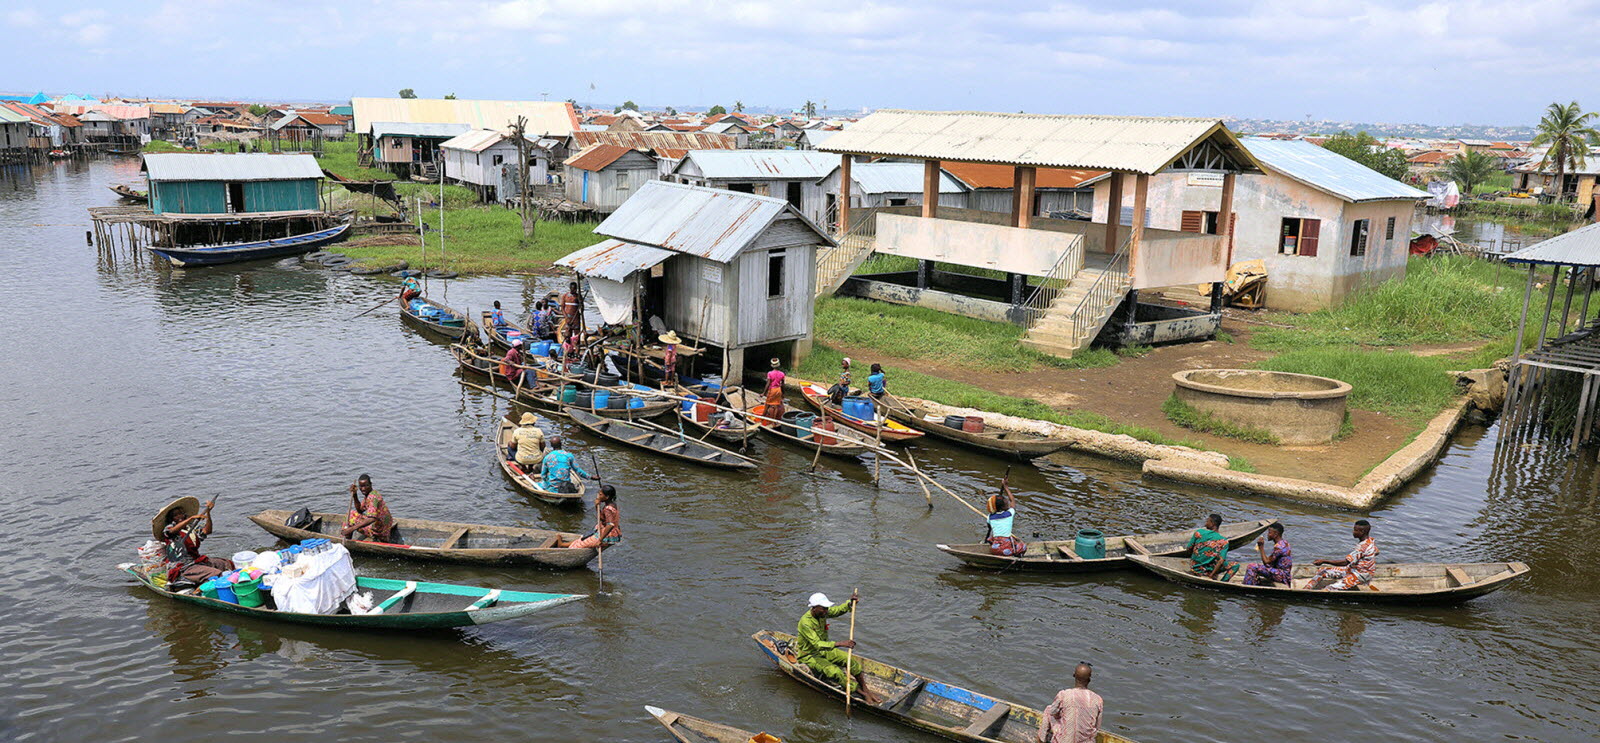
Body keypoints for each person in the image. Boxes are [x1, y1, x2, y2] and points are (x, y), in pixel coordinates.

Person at [796, 590, 884, 704]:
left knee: (851, 662)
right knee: (836, 672)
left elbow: (837, 610)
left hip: (825, 650)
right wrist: (840, 644)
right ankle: (862, 693)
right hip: (809, 655)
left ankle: (865, 689)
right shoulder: (805, 622)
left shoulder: (822, 613)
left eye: (826, 608)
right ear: (814, 608)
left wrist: (849, 604)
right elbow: (817, 644)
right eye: (824, 608)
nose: (826, 611)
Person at [156, 497, 233, 584]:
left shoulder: (191, 528)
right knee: (215, 573)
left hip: (196, 561)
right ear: (171, 519)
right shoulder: (169, 530)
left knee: (224, 563)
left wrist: (208, 512)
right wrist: (191, 518)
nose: (179, 516)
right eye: (175, 515)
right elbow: (172, 531)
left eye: (180, 514)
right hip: (183, 567)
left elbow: (207, 531)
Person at [1037, 663, 1103, 743]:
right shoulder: (1098, 700)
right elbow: (1097, 727)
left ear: (1074, 675)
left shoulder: (1064, 695)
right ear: (1089, 680)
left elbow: (1053, 712)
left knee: (1048, 710)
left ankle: (1040, 740)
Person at [1305, 520, 1379, 591]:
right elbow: (1377, 552)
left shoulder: (1362, 547)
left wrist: (1324, 561)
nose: (1353, 532)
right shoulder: (1370, 540)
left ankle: (1308, 592)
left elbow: (1345, 563)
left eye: (1355, 530)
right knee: (1322, 571)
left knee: (1329, 588)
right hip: (1353, 569)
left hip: (1360, 575)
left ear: (1362, 532)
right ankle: (1307, 588)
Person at [1183, 513, 1240, 581]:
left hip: (1194, 568)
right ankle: (1223, 582)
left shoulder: (1199, 532)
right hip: (1208, 571)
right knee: (1235, 565)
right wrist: (1212, 574)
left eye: (1207, 521)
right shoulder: (1224, 541)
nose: (1205, 523)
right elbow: (1221, 561)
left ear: (1212, 523)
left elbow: (1189, 548)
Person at [564, 485, 622, 549]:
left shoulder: (608, 509)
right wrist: (597, 506)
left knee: (575, 547)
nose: (598, 496)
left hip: (608, 535)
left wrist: (600, 539)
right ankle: (563, 544)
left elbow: (610, 525)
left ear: (607, 497)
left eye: (600, 495)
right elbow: (602, 518)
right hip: (606, 530)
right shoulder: (613, 504)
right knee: (583, 538)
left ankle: (569, 547)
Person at [341, 474, 395, 543]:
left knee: (349, 517)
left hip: (379, 532)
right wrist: (355, 495)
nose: (363, 488)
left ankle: (346, 541)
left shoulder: (373, 497)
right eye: (361, 486)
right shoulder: (370, 494)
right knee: (351, 513)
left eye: (366, 485)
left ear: (370, 484)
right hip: (382, 527)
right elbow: (360, 510)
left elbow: (372, 518)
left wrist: (351, 529)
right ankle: (347, 537)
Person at [985, 483, 1027, 557]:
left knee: (992, 538)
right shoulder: (1009, 514)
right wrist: (1006, 487)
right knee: (1023, 547)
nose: (1007, 501)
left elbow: (989, 528)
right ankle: (1013, 553)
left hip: (995, 548)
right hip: (1004, 548)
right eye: (1006, 501)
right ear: (1003, 507)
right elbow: (1012, 501)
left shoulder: (990, 517)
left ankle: (999, 549)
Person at [761, 358, 786, 424]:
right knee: (776, 405)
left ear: (772, 365)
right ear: (779, 365)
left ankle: (762, 418)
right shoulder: (782, 374)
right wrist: (783, 393)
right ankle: (774, 421)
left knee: (767, 404)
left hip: (772, 390)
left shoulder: (770, 373)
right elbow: (783, 385)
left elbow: (768, 383)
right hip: (778, 390)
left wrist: (764, 393)